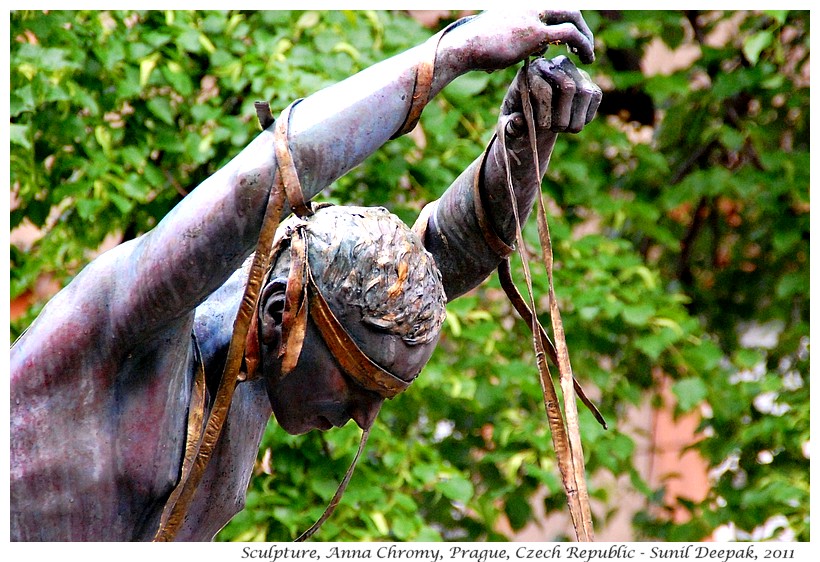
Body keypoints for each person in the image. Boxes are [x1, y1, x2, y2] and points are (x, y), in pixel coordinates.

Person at [10, 9, 601, 541]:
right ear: (277, 312)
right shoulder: (129, 328)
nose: (363, 418)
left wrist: (527, 136)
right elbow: (256, 185)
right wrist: (454, 51)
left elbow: (448, 250)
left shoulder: (267, 363)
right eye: (360, 383)